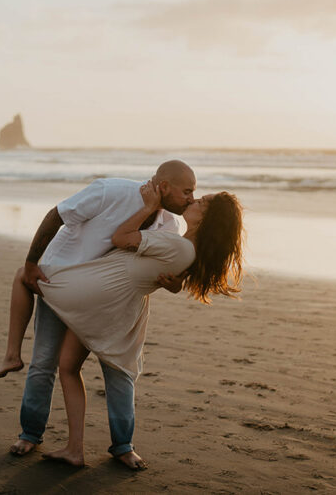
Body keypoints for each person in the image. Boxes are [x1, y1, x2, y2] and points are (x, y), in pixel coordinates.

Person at [36, 182, 245, 467]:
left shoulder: (178, 245)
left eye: (201, 201)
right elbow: (167, 276)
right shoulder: (189, 251)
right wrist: (174, 285)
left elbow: (122, 237)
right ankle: (116, 447)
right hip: (123, 307)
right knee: (112, 374)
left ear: (207, 217)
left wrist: (148, 207)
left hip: (103, 302)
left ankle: (76, 447)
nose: (193, 200)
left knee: (70, 367)